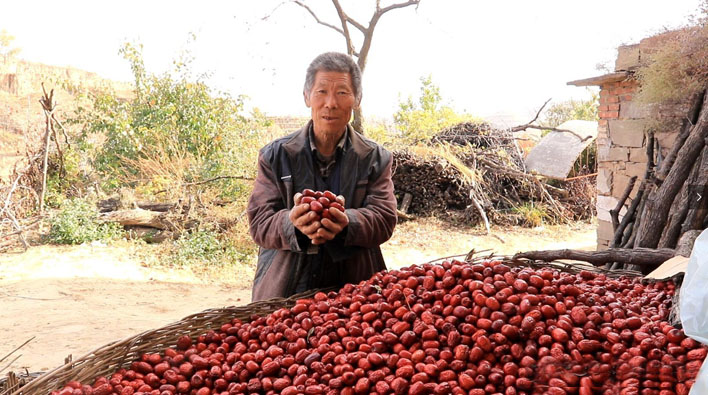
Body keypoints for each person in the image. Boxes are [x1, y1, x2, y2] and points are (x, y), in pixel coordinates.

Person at [247, 52, 397, 301]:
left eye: (342, 92)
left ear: (357, 99)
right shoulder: (275, 155)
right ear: (307, 97)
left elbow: (384, 218)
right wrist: (292, 223)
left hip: (355, 293)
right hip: (287, 289)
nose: (331, 103)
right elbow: (260, 222)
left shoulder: (375, 158)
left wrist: (347, 221)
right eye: (321, 92)